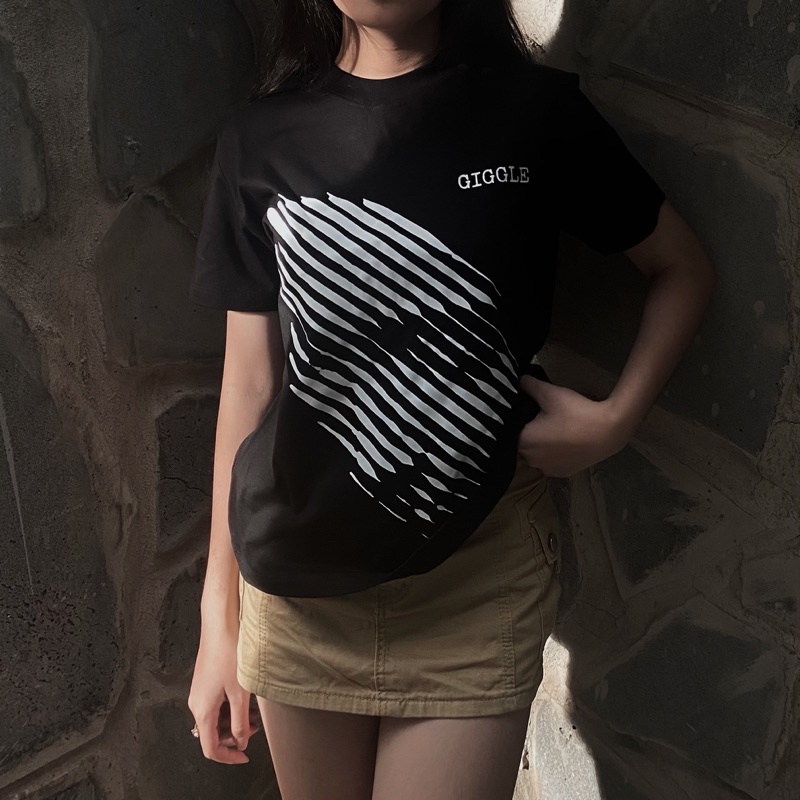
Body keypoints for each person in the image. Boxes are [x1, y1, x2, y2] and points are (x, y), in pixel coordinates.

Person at [186, 1, 716, 798]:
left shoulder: (534, 115)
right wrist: (217, 623)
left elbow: (682, 267)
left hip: (476, 583)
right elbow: (249, 386)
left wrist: (615, 421)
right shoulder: (258, 139)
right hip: (297, 597)